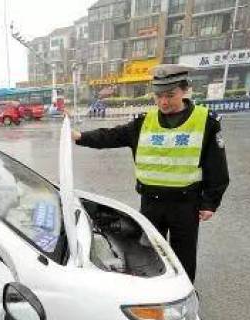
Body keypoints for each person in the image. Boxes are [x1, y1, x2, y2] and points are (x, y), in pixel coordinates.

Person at [71, 64, 229, 282]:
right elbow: (112, 136)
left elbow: (217, 166)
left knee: (184, 255)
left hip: (186, 204)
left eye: (170, 95)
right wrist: (80, 136)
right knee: (148, 251)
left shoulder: (206, 122)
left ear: (185, 91)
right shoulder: (145, 121)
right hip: (151, 202)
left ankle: (184, 293)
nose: (164, 102)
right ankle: (153, 294)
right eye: (159, 96)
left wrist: (210, 202)